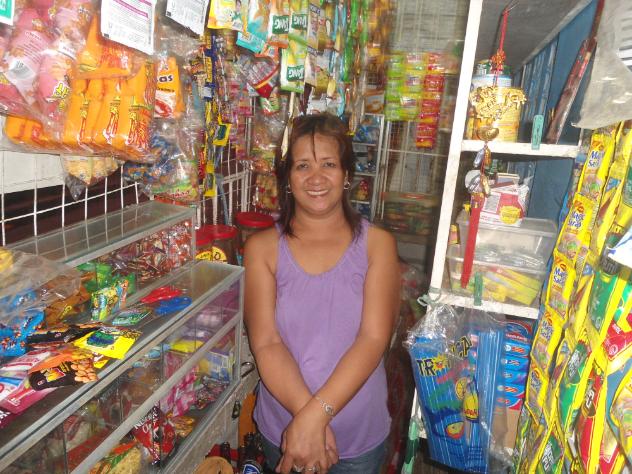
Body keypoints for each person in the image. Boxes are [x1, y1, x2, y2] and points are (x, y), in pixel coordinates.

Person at [244, 113, 400, 474]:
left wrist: (315, 417)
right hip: (285, 431)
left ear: (347, 175)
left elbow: (373, 339)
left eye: (328, 164)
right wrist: (307, 420)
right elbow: (266, 342)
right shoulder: (262, 249)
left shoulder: (378, 245)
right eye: (303, 165)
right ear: (288, 178)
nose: (316, 178)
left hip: (358, 436)